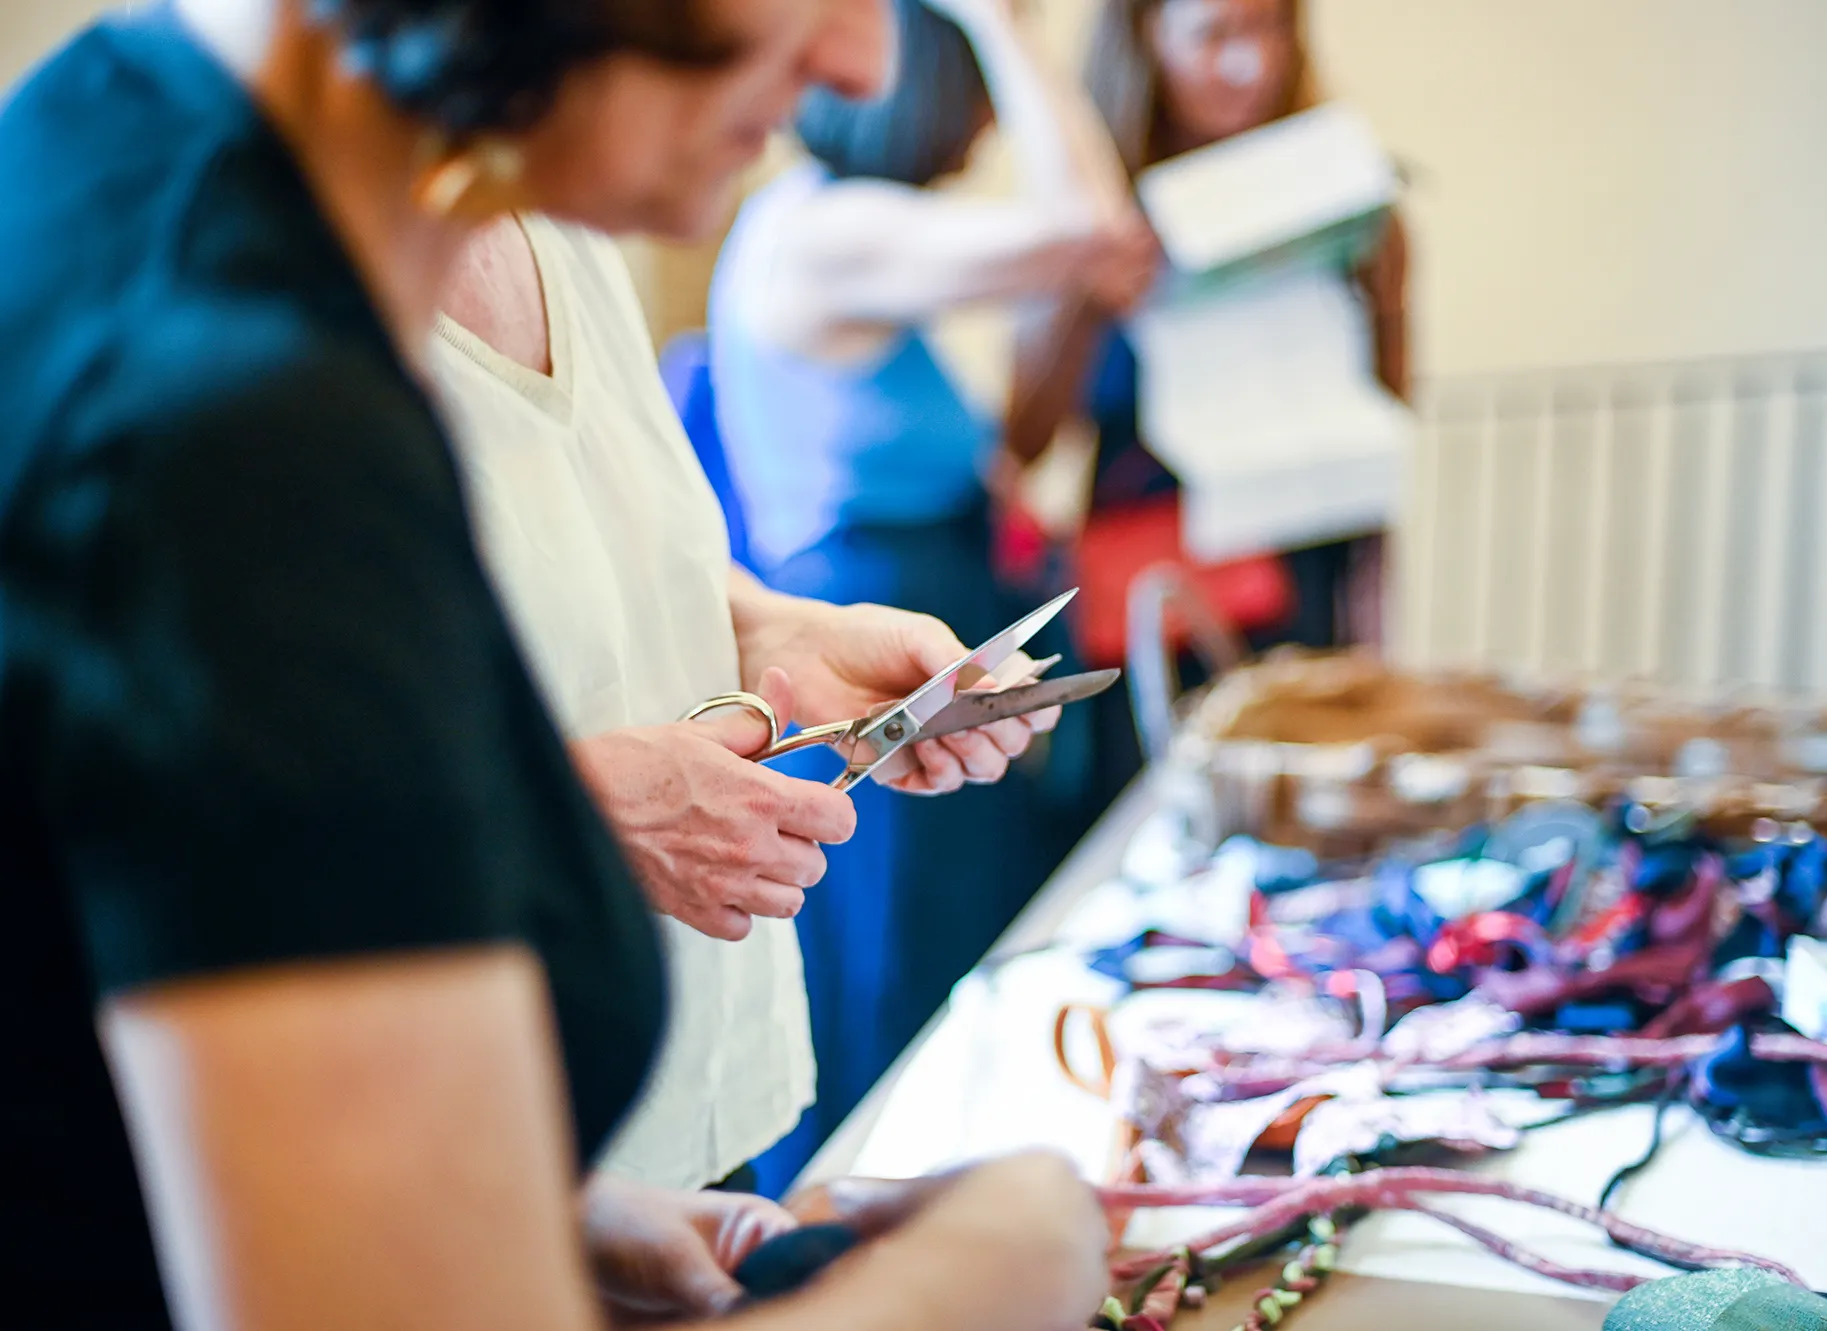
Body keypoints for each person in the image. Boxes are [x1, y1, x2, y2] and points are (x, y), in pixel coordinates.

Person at [0, 0, 1108, 1326]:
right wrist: (997, 1271)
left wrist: (566, 1212)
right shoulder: (230, 418)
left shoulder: (184, 139)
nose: (862, 63)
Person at [430, 204, 1059, 1197]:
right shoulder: (254, 287)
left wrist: (787, 635)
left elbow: (619, 552)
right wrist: (577, 809)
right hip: (486, 1149)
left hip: (698, 1079)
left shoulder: (575, 226)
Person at [705, 0, 1156, 1166]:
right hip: (854, 625)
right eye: (969, 100)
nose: (976, 137)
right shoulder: (824, 228)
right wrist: (1003, 23)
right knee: (899, 974)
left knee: (936, 957)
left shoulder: (833, 229)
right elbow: (1088, 224)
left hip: (907, 593)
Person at [1005, 0, 1411, 801]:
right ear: (1144, 39)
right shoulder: (1095, 216)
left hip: (1304, 586)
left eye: (1269, 29)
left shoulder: (1352, 200)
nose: (1249, 64)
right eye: (1215, 35)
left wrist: (1376, 628)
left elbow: (1388, 420)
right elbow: (1025, 437)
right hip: (1154, 604)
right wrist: (1087, 288)